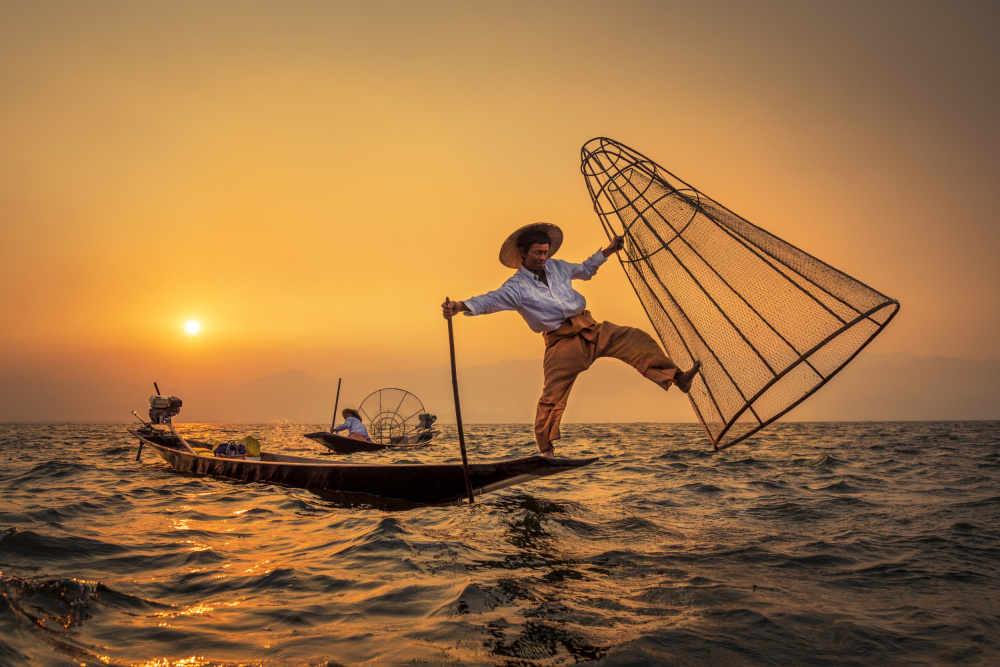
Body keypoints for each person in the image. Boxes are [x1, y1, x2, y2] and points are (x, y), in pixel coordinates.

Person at [442, 222, 700, 458]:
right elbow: (489, 300)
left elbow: (586, 269)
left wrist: (608, 250)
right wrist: (461, 305)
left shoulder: (557, 267)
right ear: (523, 252)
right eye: (537, 254)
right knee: (551, 397)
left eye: (546, 252)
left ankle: (678, 378)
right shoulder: (516, 287)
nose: (543, 258)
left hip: (589, 327)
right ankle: (546, 450)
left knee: (635, 339)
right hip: (560, 342)